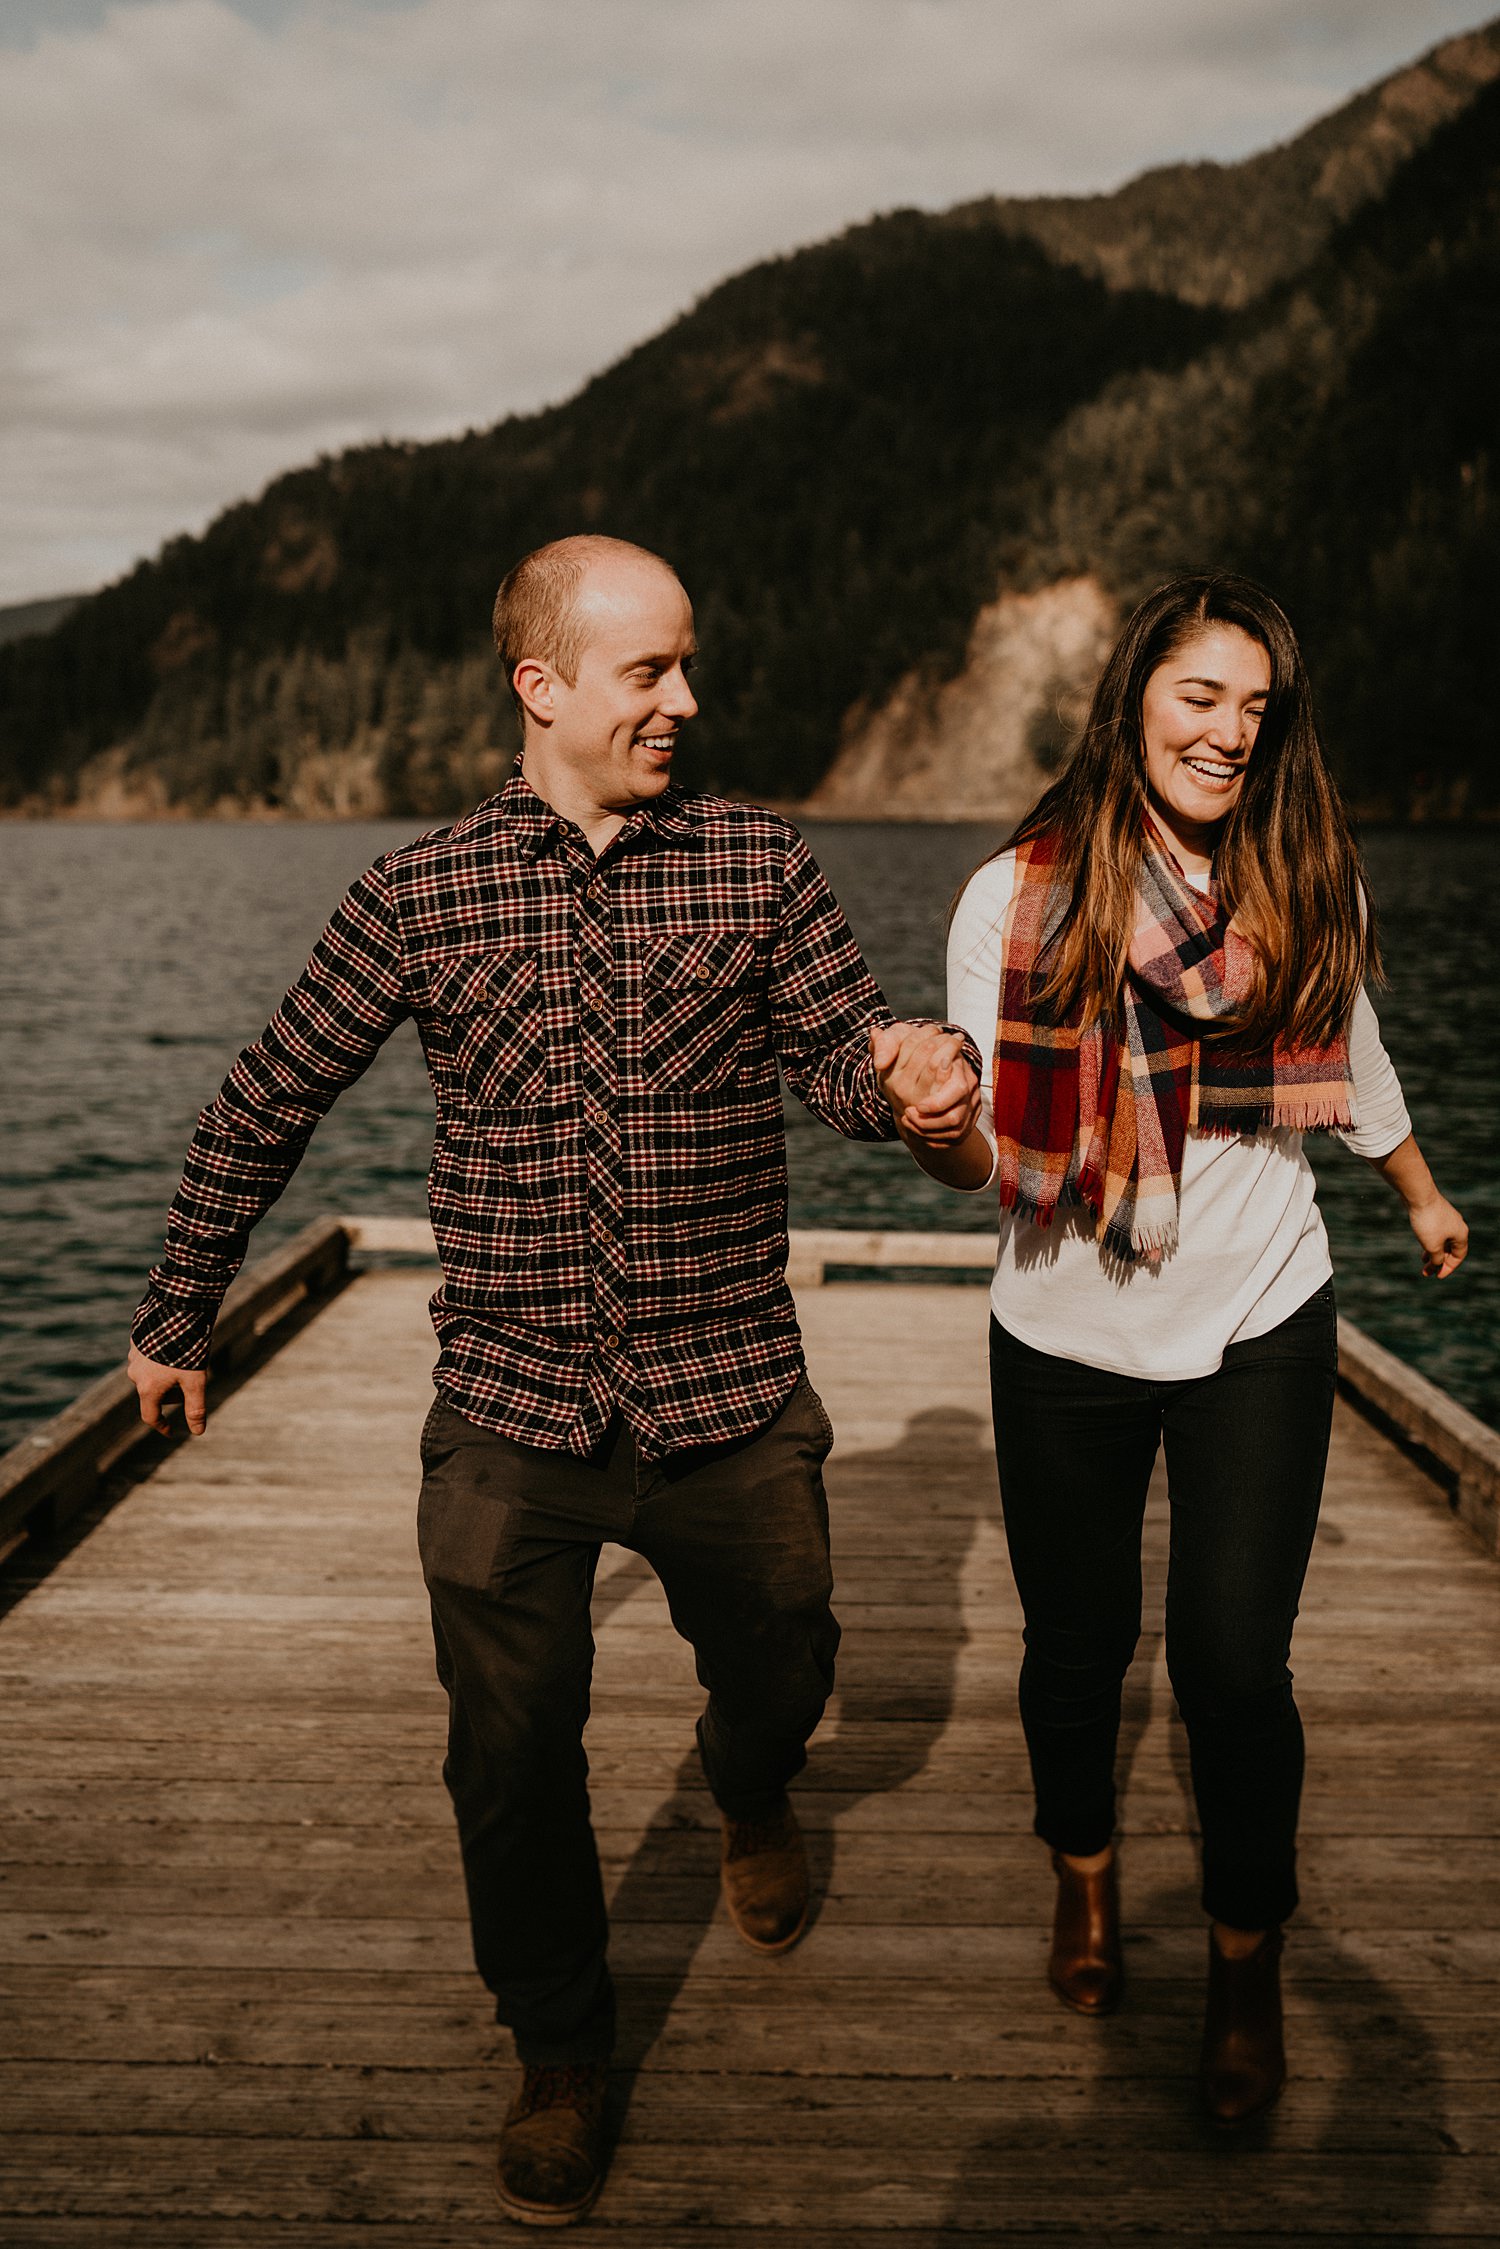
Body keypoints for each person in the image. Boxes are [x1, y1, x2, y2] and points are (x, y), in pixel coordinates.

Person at [126, 534, 979, 2226]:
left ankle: (751, 1784)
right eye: (647, 670)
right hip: (510, 1411)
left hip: (731, 1393)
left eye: (685, 664)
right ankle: (563, 2050)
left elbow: (840, 1060)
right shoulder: (419, 894)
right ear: (543, 686)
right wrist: (175, 1315)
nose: (684, 699)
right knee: (509, 1759)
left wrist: (921, 1093)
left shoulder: (757, 862)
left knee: (790, 1663)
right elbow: (267, 1100)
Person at [894, 572, 1467, 2124]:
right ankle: (1083, 1874)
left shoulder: (1305, 878)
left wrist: (1416, 1192)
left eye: (1253, 710)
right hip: (1061, 1324)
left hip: (1260, 1316)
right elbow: (978, 1160)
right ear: (1136, 693)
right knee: (1077, 1653)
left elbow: (1351, 1048)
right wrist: (936, 1122)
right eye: (1199, 695)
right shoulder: (1014, 898)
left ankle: (1241, 1959)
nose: (1226, 733)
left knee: (1232, 1669)